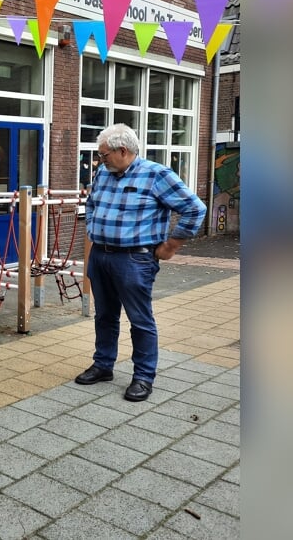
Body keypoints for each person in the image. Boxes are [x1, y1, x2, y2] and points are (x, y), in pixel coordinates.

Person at [76, 123, 206, 402]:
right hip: (100, 254)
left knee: (140, 319)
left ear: (123, 150)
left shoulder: (157, 175)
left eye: (104, 154)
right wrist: (92, 228)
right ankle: (103, 365)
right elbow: (92, 205)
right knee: (104, 315)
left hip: (135, 259)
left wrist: (171, 245)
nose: (100, 160)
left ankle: (144, 377)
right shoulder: (103, 173)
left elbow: (195, 208)